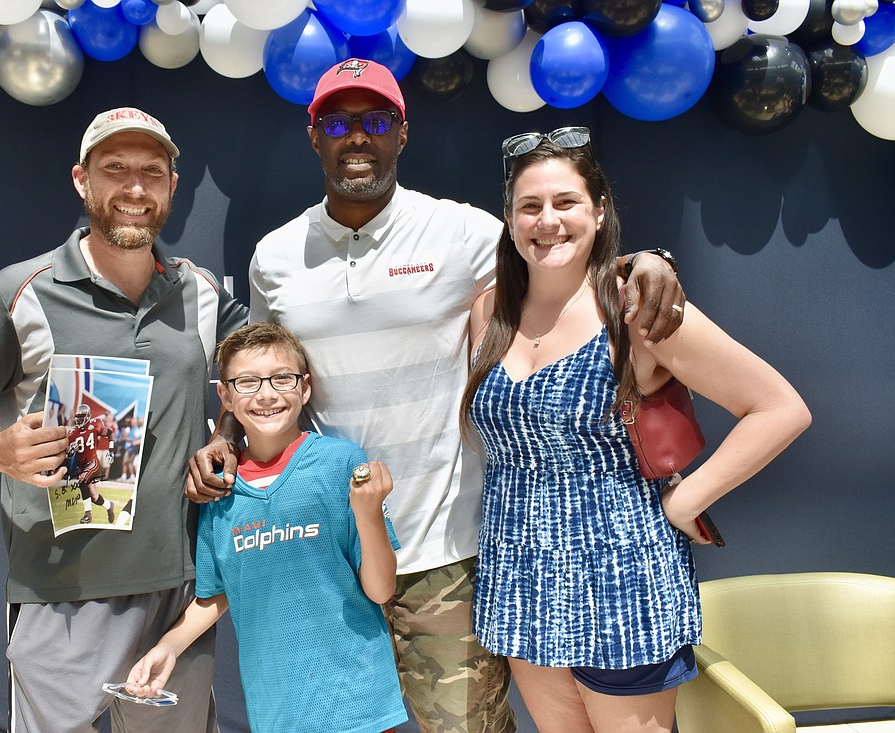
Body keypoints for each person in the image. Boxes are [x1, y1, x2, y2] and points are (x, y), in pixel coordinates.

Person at [187, 58, 686, 733]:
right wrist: (227, 434)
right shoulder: (275, 256)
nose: (356, 136)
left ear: (402, 133)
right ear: (314, 137)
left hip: (444, 547)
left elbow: (559, 260)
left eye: (376, 120)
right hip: (332, 552)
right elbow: (265, 370)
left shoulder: (464, 233)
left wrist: (644, 262)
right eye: (337, 121)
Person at [460, 127, 811, 733]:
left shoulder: (638, 309)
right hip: (519, 583)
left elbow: (779, 407)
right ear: (510, 219)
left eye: (566, 203)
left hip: (621, 583)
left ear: (599, 211)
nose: (549, 221)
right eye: (530, 206)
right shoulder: (488, 311)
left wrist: (687, 501)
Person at [0, 107, 248, 733]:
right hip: (61, 591)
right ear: (82, 181)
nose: (134, 188)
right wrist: (0, 450)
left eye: (152, 172)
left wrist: (225, 439)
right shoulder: (20, 291)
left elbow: (262, 380)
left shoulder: (202, 291)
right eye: (115, 169)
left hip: (178, 592)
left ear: (173, 187)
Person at [127, 321, 408, 733]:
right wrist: (167, 649)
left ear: (305, 387)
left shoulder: (340, 463)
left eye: (282, 378)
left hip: (357, 702)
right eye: (247, 382)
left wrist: (368, 512)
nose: (267, 394)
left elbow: (381, 589)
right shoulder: (220, 491)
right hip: (276, 711)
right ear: (224, 395)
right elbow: (217, 594)